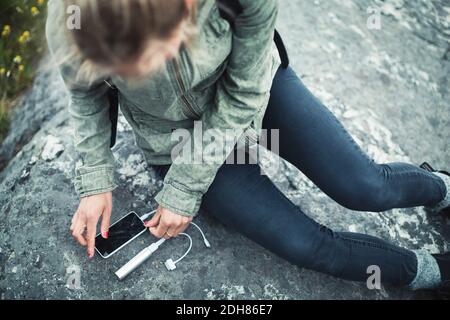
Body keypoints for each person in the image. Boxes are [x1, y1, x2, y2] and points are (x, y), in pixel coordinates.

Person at [46, 0, 450, 292]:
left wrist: (185, 188)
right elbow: (84, 91)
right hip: (176, 138)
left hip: (253, 90)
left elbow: (244, 92)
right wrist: (96, 180)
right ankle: (427, 271)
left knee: (366, 187)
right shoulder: (71, 17)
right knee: (305, 245)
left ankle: (441, 187)